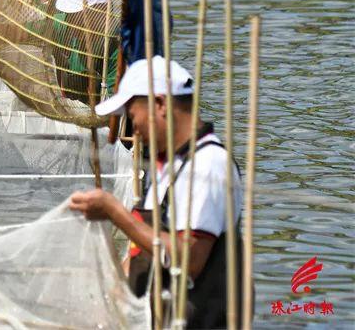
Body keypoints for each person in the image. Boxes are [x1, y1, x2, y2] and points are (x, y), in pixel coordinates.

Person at [68, 56, 244, 329]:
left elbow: (189, 259)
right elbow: (143, 249)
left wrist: (115, 213)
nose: (133, 127)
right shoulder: (165, 166)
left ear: (160, 104)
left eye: (132, 114)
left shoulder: (208, 165)